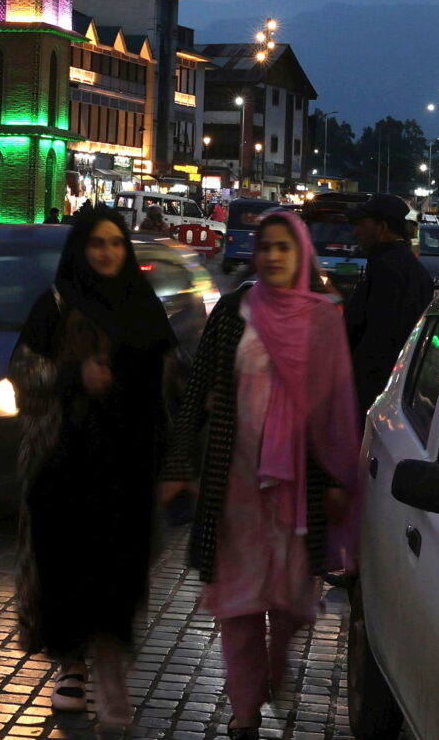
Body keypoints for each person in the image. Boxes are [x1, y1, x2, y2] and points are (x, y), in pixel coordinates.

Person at [160, 211, 361, 738]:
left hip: (301, 487)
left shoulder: (322, 320)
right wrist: (179, 465)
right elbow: (197, 392)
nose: (272, 256)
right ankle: (245, 711)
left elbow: (337, 408)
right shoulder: (234, 312)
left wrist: (338, 478)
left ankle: (277, 660)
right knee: (239, 604)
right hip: (235, 485)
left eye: (283, 247)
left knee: (291, 602)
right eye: (265, 246)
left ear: (301, 255)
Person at [10, 207, 179, 735]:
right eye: (96, 244)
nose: (107, 253)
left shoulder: (142, 305)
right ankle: (72, 666)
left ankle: (109, 671)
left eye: (116, 243)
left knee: (118, 567)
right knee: (67, 565)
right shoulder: (56, 304)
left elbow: (169, 384)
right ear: (80, 250)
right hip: (65, 461)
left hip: (128, 462)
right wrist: (73, 375)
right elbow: (21, 372)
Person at [341, 193, 434, 419]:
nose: (356, 232)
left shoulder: (387, 271)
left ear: (381, 227)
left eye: (362, 225)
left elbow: (378, 340)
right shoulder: (413, 270)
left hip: (375, 393)